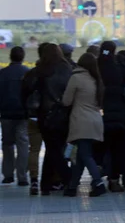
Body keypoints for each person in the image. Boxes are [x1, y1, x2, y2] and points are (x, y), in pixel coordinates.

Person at [62, 53, 107, 197]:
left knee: (85, 155)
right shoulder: (97, 79)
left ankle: (98, 183)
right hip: (95, 120)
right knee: (80, 156)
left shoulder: (76, 78)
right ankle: (72, 186)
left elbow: (66, 101)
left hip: (81, 121)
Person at [33, 44, 72, 195]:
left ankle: (53, 181)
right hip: (63, 114)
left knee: (52, 149)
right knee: (56, 149)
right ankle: (59, 180)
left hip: (44, 115)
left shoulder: (39, 71)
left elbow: (28, 90)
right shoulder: (66, 68)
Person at [98, 41, 125, 191]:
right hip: (119, 113)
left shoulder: (97, 66)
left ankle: (97, 177)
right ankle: (114, 179)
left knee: (99, 148)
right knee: (118, 149)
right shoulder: (120, 65)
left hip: (100, 113)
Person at [20, 43, 51, 195]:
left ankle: (34, 180)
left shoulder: (30, 74)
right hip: (50, 117)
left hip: (33, 116)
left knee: (34, 149)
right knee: (52, 149)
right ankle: (52, 180)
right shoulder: (53, 73)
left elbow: (22, 95)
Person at [0, 46, 30, 186]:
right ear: (22, 57)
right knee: (23, 144)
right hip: (23, 114)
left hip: (6, 114)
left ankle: (8, 175)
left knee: (7, 144)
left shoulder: (3, 73)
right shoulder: (27, 73)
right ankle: (22, 176)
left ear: (10, 56)